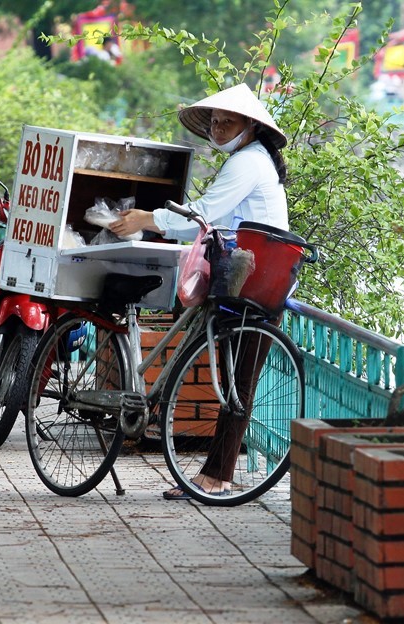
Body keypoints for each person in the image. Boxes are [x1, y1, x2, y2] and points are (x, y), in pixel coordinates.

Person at [108, 83, 289, 499]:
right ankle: (218, 474)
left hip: (253, 281)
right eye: (216, 121)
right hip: (246, 277)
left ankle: (216, 476)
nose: (219, 127)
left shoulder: (248, 162)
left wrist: (144, 220)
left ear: (250, 127)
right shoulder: (252, 159)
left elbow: (203, 217)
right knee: (235, 384)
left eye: (229, 121)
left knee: (238, 387)